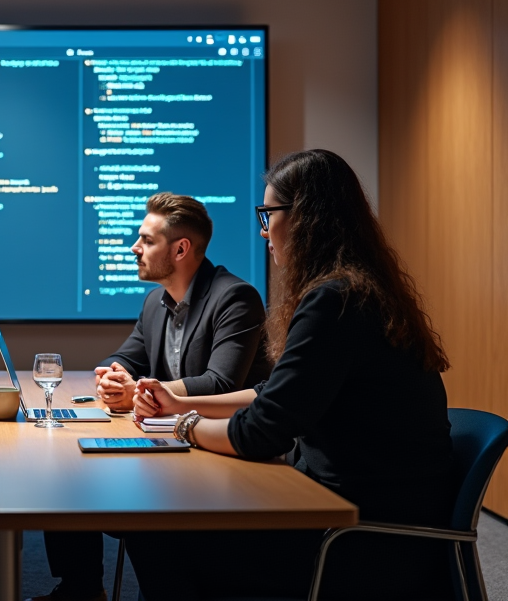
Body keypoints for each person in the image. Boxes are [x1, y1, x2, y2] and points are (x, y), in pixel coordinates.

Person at [125, 149, 454, 601]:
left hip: (357, 538)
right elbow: (272, 394)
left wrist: (183, 426)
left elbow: (261, 433)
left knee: (157, 531)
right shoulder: (358, 292)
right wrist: (182, 403)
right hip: (361, 515)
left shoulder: (334, 303)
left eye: (268, 213)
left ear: (306, 218)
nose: (264, 229)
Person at [32, 192, 270, 601]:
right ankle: (81, 589)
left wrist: (143, 390)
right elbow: (124, 357)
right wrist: (114, 376)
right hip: (172, 443)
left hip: (224, 453)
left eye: (146, 239)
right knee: (64, 475)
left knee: (142, 507)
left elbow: (221, 384)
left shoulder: (235, 298)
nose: (134, 247)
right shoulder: (155, 302)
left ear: (181, 248)